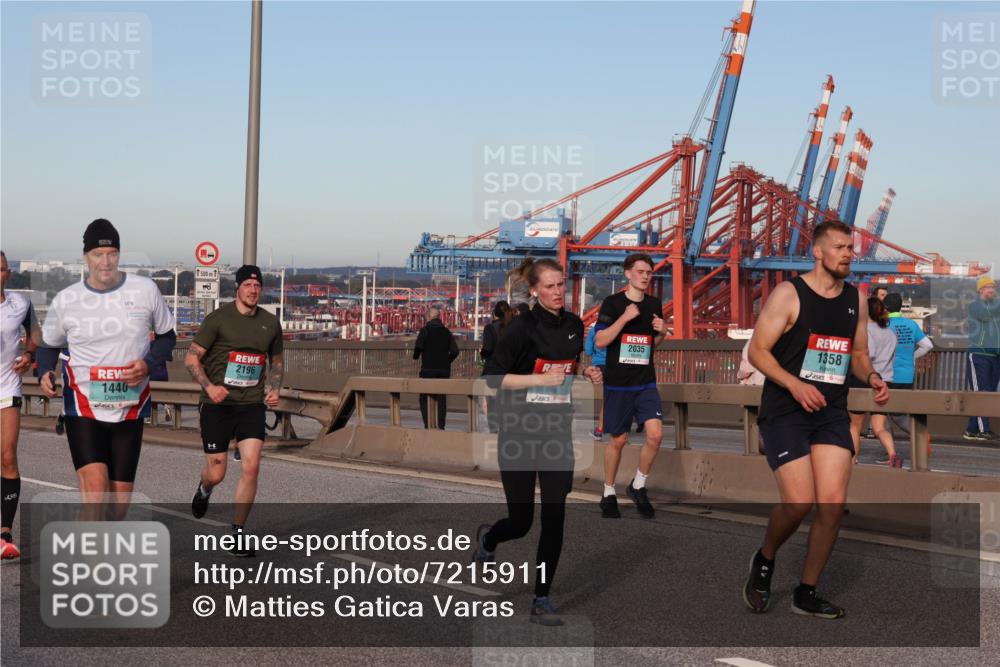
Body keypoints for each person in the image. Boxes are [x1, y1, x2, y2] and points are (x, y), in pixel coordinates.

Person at [743, 220, 889, 619]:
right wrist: (794, 384)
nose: (848, 254)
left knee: (831, 505)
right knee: (798, 502)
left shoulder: (855, 299)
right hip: (786, 411)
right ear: (819, 252)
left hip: (830, 413)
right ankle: (766, 558)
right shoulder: (789, 294)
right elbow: (758, 351)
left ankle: (806, 592)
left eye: (850, 248)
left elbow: (857, 353)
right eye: (841, 247)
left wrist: (872, 376)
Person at [472, 258, 602, 625]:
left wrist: (587, 373)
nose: (558, 291)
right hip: (518, 430)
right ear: (534, 290)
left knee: (555, 516)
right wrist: (536, 380)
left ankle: (541, 598)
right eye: (550, 286)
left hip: (556, 433)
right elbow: (492, 379)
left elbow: (568, 369)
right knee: (521, 520)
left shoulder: (575, 325)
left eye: (561, 284)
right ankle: (489, 539)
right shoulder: (521, 328)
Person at [38, 219, 176, 516]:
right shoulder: (67, 300)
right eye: (98, 255)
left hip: (130, 406)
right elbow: (48, 344)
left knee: (118, 507)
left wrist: (148, 364)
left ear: (119, 254)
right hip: (83, 405)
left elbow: (167, 337)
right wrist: (44, 372)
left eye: (112, 253)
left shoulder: (145, 290)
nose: (105, 261)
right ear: (86, 257)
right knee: (96, 492)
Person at [186, 265, 283, 557]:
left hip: (251, 404)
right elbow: (192, 359)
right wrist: (209, 387)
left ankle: (238, 534)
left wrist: (275, 387)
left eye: (257, 286)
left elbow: (276, 362)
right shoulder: (218, 320)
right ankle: (204, 489)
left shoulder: (270, 323)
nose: (253, 290)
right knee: (217, 472)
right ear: (238, 288)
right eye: (247, 285)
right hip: (218, 405)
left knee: (251, 465)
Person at [594, 253, 665, 519]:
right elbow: (601, 340)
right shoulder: (612, 304)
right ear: (627, 274)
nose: (646, 276)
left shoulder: (654, 304)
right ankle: (608, 491)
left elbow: (651, 345)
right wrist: (623, 319)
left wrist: (662, 332)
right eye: (641, 271)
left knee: (656, 435)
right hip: (618, 383)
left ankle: (638, 485)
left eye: (649, 272)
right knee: (619, 440)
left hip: (645, 381)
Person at [1, 251, 39, 559]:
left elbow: (34, 333)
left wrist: (29, 355)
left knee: (7, 455)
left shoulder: (20, 304)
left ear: (8, 273)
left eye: (1, 270)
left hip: (7, 386)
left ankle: (4, 532)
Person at [847, 297, 901, 467]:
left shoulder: (866, 331)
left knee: (855, 426)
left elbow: (866, 356)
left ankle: (853, 459)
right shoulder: (891, 333)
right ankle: (893, 455)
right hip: (886, 381)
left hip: (865, 380)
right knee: (879, 427)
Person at [883, 293, 933, 442]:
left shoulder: (885, 325)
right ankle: (894, 450)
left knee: (886, 414)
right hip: (907, 375)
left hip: (889, 375)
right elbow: (928, 346)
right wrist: (912, 357)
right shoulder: (911, 324)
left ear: (885, 307)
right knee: (899, 412)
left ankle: (920, 437)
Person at [965, 276, 999, 441]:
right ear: (980, 290)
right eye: (988, 288)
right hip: (979, 354)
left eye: (993, 287)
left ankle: (971, 429)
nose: (991, 290)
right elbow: (985, 316)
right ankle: (983, 429)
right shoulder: (974, 306)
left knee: (990, 393)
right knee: (981, 393)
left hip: (995, 355)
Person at [412, 307, 459, 429]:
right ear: (439, 317)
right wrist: (447, 361)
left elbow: (418, 348)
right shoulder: (446, 332)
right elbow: (455, 351)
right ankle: (441, 425)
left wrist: (416, 356)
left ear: (428, 317)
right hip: (443, 371)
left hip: (428, 370)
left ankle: (428, 423)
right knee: (441, 399)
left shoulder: (425, 330)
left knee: (424, 397)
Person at [480, 301, 513, 433]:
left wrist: (482, 353)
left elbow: (487, 349)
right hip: (510, 371)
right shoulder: (513, 327)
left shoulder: (490, 328)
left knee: (491, 403)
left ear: (494, 314)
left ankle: (494, 431)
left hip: (493, 371)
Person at [585, 323, 607, 439]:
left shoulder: (594, 330)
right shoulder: (617, 328)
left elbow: (588, 351)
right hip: (616, 368)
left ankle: (599, 430)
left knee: (607, 398)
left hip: (598, 368)